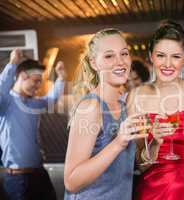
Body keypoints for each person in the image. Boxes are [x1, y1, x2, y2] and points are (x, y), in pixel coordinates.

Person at [64, 28, 149, 200]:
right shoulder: (91, 106)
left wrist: (153, 144)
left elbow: (138, 167)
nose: (120, 62)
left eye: (124, 54)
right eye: (109, 56)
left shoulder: (125, 106)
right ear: (94, 63)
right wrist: (118, 142)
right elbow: (71, 181)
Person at [128, 20, 184, 200]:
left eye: (176, 56)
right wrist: (154, 144)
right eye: (161, 55)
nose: (168, 64)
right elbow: (140, 165)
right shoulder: (136, 97)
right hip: (152, 192)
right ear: (151, 56)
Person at [0, 49, 65, 200]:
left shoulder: (33, 103)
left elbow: (52, 99)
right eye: (35, 81)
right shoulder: (6, 103)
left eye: (39, 82)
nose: (38, 87)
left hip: (40, 174)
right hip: (18, 181)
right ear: (23, 76)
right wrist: (12, 64)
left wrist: (61, 78)